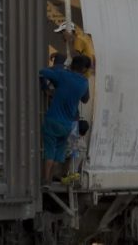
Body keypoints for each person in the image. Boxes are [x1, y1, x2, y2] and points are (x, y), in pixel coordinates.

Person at [39, 55, 91, 185]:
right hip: (68, 124)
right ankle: (50, 179)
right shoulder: (84, 82)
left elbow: (42, 72)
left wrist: (46, 89)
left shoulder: (63, 75)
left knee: (49, 150)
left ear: (72, 64)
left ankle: (45, 179)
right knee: (59, 153)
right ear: (84, 69)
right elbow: (85, 99)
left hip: (53, 119)